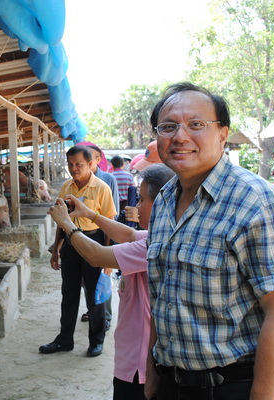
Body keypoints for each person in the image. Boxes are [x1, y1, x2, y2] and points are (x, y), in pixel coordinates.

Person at [144, 82, 274, 400]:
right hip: (171, 383)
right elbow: (162, 298)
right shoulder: (164, 198)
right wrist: (152, 377)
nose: (180, 136)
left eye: (196, 124)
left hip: (233, 387)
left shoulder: (257, 202)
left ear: (223, 134)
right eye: (168, 127)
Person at [48, 163, 175, 400]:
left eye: (142, 200)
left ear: (162, 203)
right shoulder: (157, 235)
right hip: (133, 354)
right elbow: (128, 234)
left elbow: (96, 256)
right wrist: (90, 214)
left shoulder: (154, 246)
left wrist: (66, 224)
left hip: (138, 362)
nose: (136, 206)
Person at [39, 145, 117, 357]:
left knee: (95, 296)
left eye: (78, 164)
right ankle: (64, 340)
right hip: (71, 243)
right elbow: (61, 221)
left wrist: (108, 257)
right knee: (69, 293)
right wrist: (56, 250)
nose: (74, 168)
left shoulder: (101, 188)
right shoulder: (66, 187)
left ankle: (96, 341)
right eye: (70, 164)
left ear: (90, 164)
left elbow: (109, 224)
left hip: (94, 241)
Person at [85, 144, 119, 330]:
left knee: (103, 276)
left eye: (90, 158)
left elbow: (113, 212)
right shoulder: (78, 180)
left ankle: (105, 316)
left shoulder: (107, 179)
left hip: (103, 233)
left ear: (98, 160)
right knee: (87, 279)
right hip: (83, 235)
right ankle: (92, 310)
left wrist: (110, 240)